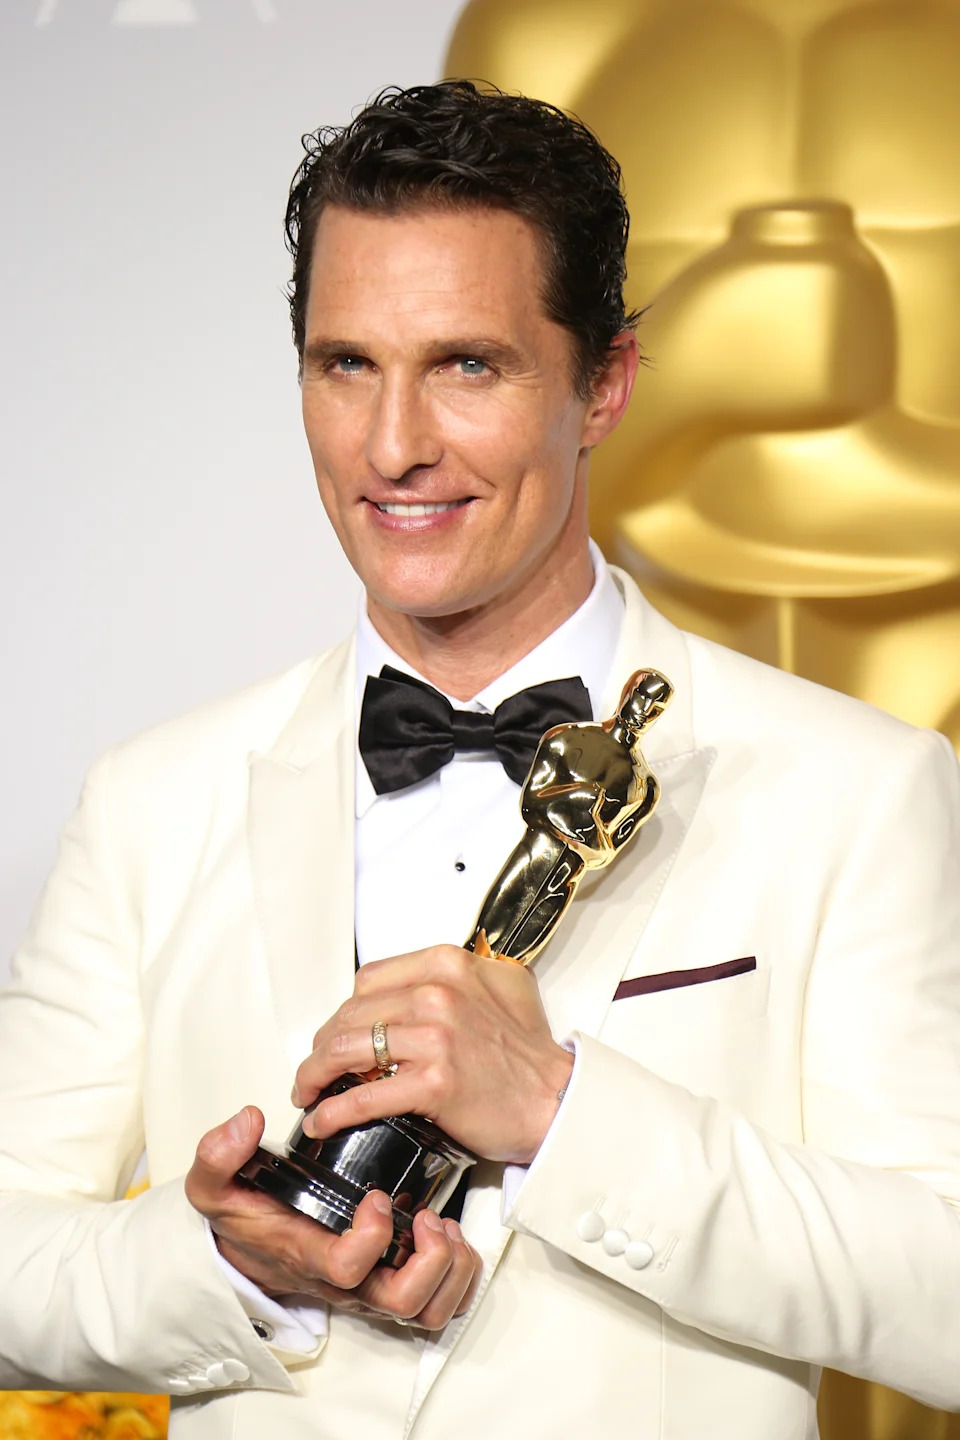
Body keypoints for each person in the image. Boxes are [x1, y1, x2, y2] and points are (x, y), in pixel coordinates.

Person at [1, 80, 958, 1440]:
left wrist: (566, 1118)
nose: (392, 447)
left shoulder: (851, 788)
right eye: (346, 364)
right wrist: (225, 1262)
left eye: (467, 364)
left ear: (604, 383)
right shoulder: (154, 798)